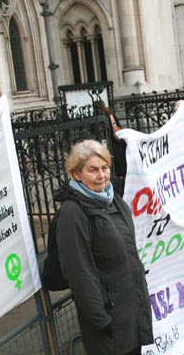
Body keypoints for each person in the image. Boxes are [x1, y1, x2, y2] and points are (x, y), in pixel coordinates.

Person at [53, 139, 153, 355]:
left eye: (105, 168)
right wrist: (100, 319)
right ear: (76, 173)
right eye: (93, 170)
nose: (102, 175)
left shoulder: (112, 199)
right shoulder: (72, 212)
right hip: (109, 316)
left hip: (131, 307)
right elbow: (78, 271)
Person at [95, 101, 127, 178]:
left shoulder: (98, 118)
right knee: (118, 166)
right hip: (115, 145)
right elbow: (117, 128)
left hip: (108, 145)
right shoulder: (110, 116)